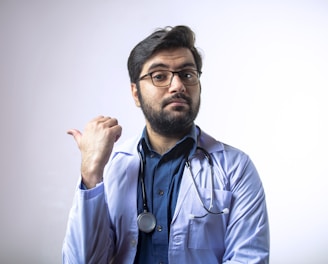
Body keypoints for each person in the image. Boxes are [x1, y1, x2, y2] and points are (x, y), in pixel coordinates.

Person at [62, 25, 270, 264]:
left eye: (187, 74)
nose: (178, 86)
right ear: (136, 94)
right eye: (159, 76)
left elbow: (249, 259)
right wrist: (91, 172)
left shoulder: (236, 168)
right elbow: (81, 261)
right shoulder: (110, 166)